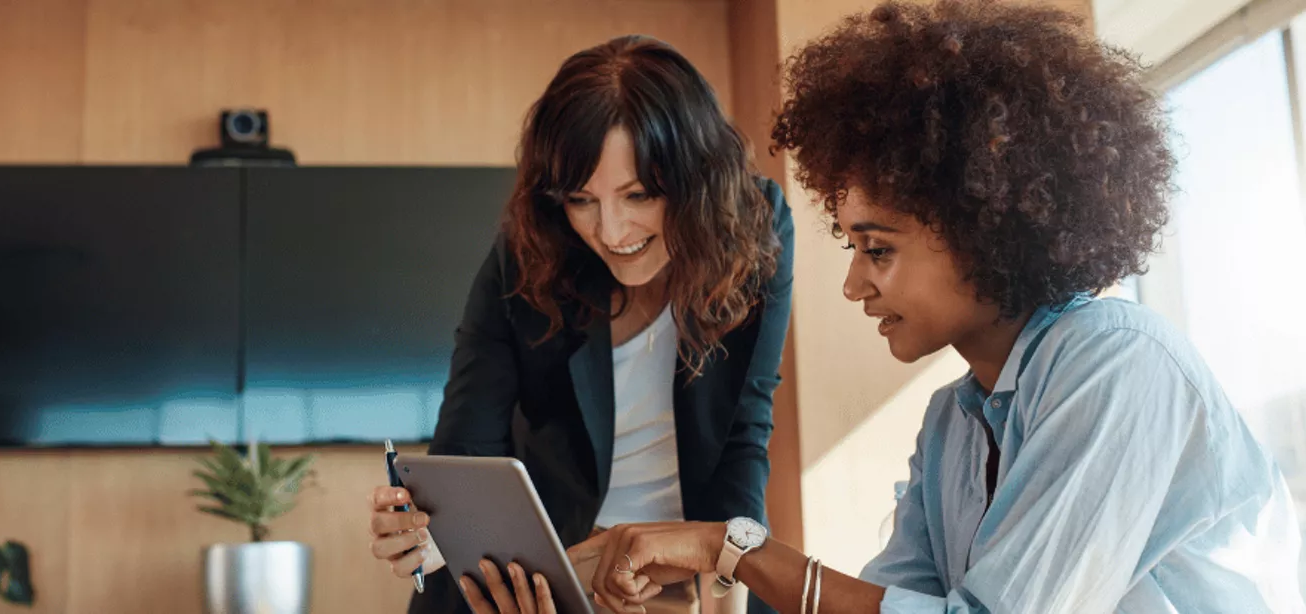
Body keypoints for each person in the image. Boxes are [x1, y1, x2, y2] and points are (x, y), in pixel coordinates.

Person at [460, 1, 1306, 613]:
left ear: (982, 230)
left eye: (879, 249)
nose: (852, 284)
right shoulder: (952, 426)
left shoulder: (1117, 365)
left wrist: (728, 547)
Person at [366, 35, 794, 614]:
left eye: (638, 194)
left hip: (687, 571)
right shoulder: (531, 250)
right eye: (581, 199)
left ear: (698, 181)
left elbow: (745, 432)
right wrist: (428, 529)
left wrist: (727, 587)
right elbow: (468, 444)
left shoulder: (755, 229)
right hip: (544, 576)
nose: (612, 232)